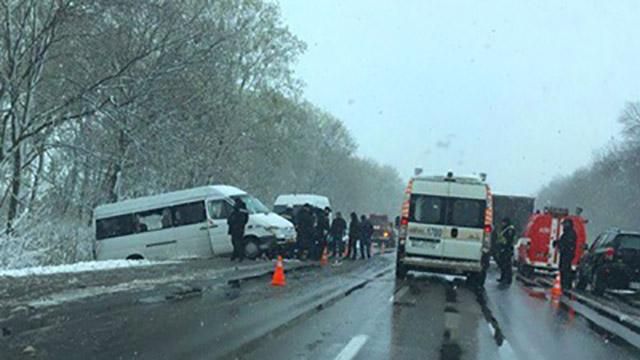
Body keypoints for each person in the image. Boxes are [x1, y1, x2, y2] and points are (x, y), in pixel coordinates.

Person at [556, 218, 577, 290]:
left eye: (564, 224)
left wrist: (561, 246)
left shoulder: (570, 233)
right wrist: (558, 243)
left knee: (565, 269)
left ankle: (566, 285)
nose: (563, 226)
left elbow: (567, 243)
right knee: (564, 269)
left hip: (567, 254)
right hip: (565, 254)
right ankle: (565, 284)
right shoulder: (567, 233)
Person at [496, 217, 515, 283]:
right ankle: (503, 277)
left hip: (507, 249)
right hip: (503, 249)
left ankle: (508, 279)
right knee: (502, 264)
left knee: (507, 265)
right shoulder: (505, 229)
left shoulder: (510, 229)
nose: (502, 224)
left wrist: (505, 247)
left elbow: (509, 240)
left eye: (503, 222)